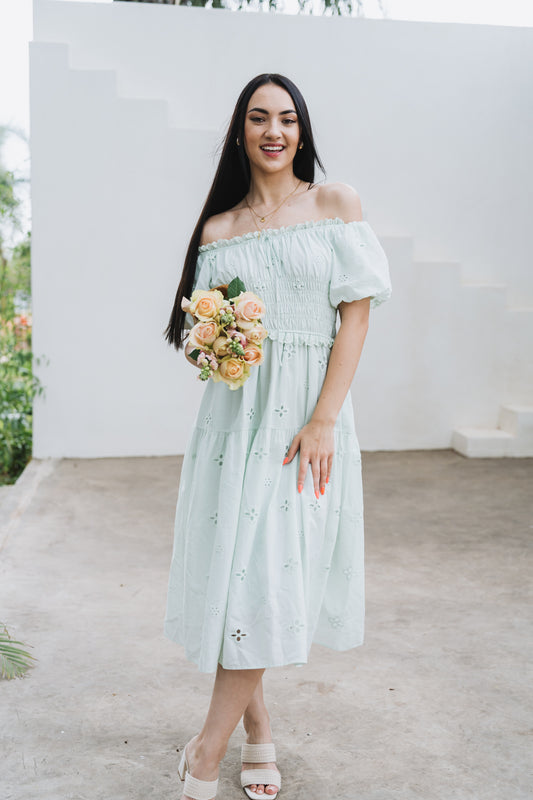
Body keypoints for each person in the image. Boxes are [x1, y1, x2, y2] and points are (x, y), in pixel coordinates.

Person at [163, 72, 392, 800]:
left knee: (266, 574)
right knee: (238, 572)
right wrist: (215, 343)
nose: (274, 131)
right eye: (259, 118)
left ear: (301, 131)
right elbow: (199, 336)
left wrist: (323, 418)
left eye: (287, 119)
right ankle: (257, 728)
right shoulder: (217, 229)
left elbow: (355, 315)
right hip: (233, 422)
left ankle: (206, 753)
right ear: (240, 132)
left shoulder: (334, 204)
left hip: (304, 424)